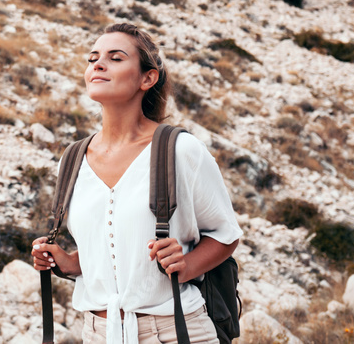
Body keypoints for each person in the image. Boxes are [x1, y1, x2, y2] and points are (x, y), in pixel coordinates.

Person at [31, 23, 242, 344]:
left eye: (115, 58)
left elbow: (226, 234)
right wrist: (70, 263)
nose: (98, 64)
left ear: (148, 78)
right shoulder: (72, 159)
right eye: (92, 58)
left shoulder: (180, 150)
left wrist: (185, 265)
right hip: (98, 334)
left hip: (176, 332)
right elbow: (113, 247)